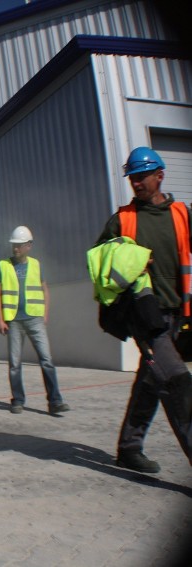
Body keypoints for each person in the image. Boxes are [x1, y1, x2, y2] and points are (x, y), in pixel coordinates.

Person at [95, 146, 191, 473]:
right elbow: (99, 263)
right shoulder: (122, 220)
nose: (136, 183)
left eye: (141, 177)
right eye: (132, 177)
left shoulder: (182, 214)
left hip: (177, 313)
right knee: (177, 381)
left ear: (160, 175)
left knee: (151, 381)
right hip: (144, 317)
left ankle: (129, 448)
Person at [0, 226, 70, 415]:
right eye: (14, 245)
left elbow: (45, 289)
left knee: (46, 360)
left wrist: (45, 314)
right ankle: (17, 400)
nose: (16, 248)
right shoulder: (4, 265)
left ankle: (55, 401)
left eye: (19, 245)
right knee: (14, 364)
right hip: (14, 321)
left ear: (29, 246)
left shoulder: (36, 264)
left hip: (34, 318)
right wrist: (0, 319)